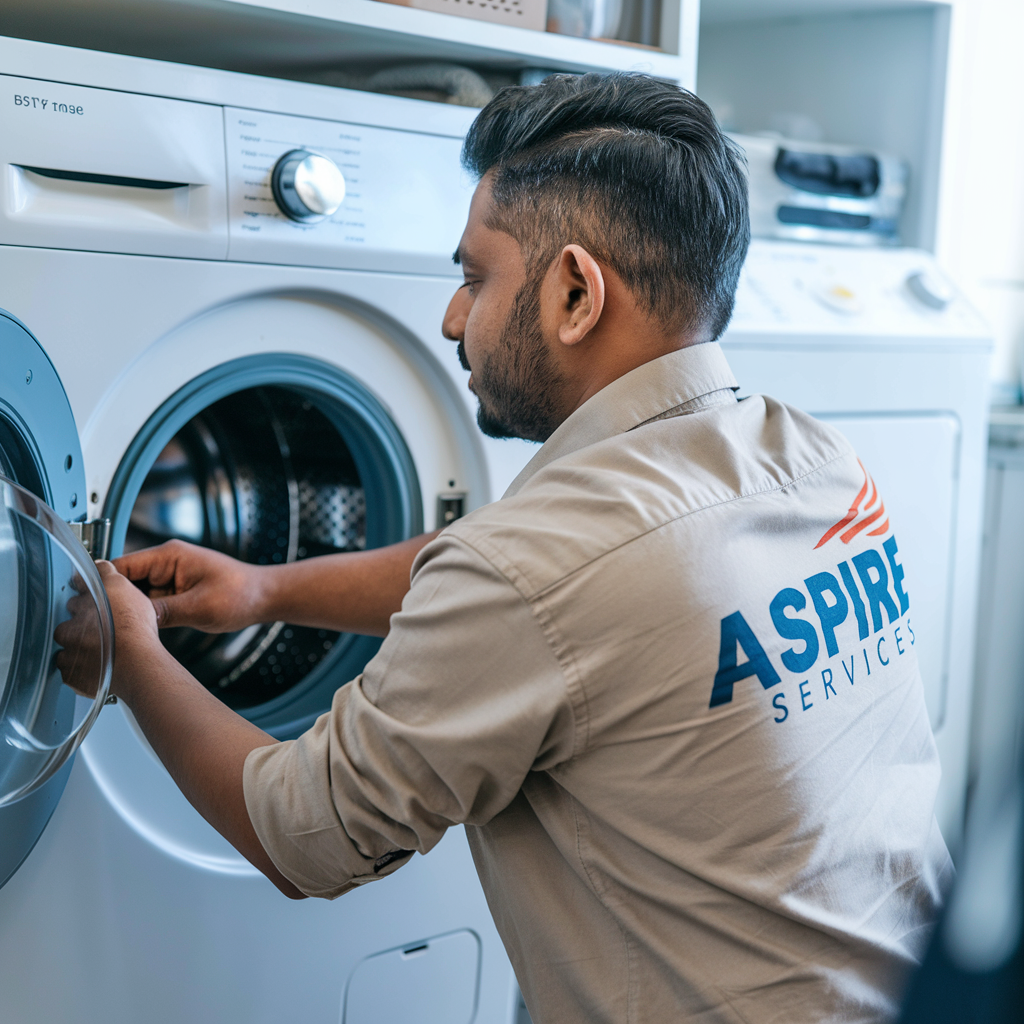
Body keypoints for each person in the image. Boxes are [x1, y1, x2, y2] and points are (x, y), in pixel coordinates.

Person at [59, 73, 952, 1022]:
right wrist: (267, 590)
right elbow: (548, 592)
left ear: (575, 292)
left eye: (476, 277)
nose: (452, 317)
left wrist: (131, 655)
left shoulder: (543, 568)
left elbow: (298, 835)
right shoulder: (815, 458)